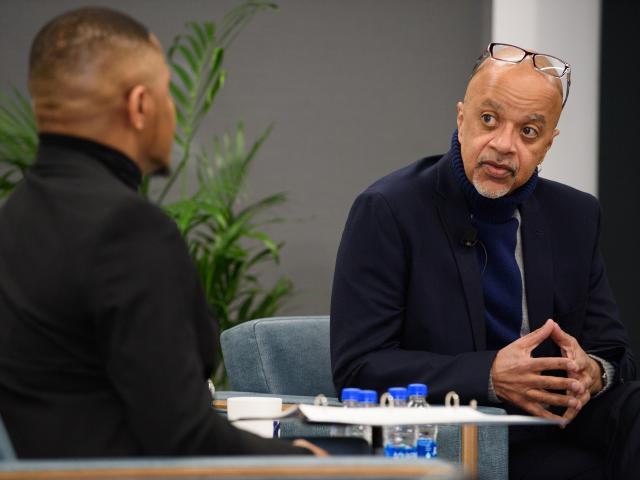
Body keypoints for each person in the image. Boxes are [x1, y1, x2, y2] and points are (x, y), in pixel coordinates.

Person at [0, 7, 323, 458]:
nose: (173, 109)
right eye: (168, 92)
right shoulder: (128, 230)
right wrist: (309, 464)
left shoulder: (14, 216)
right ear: (139, 106)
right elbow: (183, 438)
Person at [331, 42, 639, 479]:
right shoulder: (389, 210)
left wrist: (592, 371)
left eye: (529, 132)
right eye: (489, 120)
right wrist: (490, 374)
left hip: (561, 423)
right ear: (461, 118)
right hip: (459, 432)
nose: (503, 145)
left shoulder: (575, 214)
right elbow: (357, 370)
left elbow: (614, 352)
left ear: (548, 144)